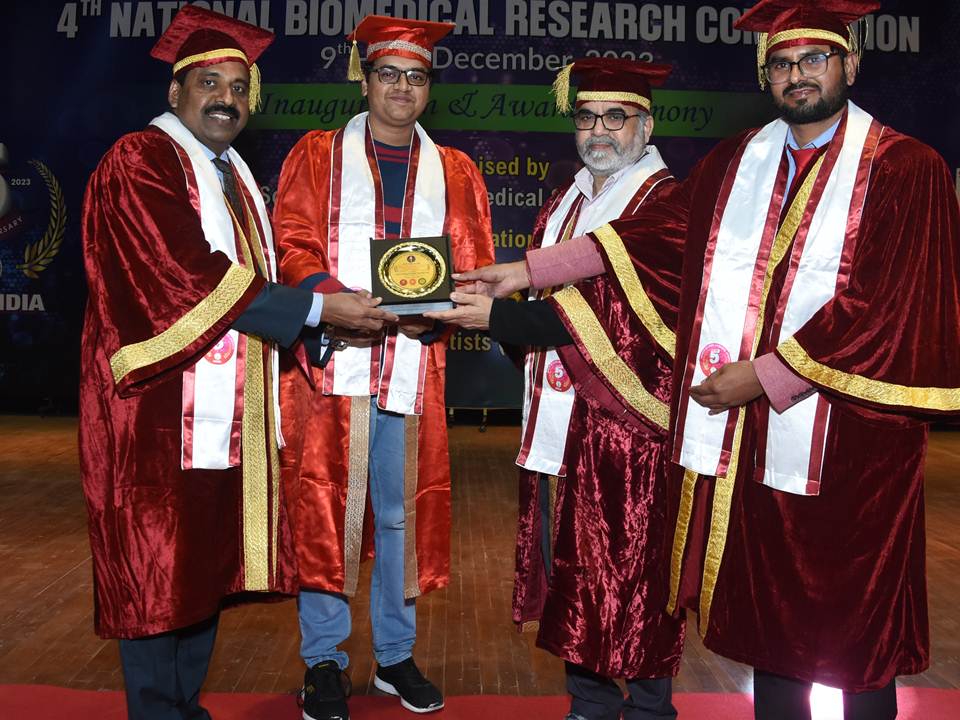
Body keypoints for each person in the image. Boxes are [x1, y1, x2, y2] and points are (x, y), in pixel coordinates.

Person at [457, 1, 960, 718]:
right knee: (769, 620)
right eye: (782, 63)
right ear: (765, 74)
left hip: (853, 442)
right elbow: (649, 238)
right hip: (748, 438)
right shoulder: (737, 163)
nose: (798, 75)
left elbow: (892, 306)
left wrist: (763, 375)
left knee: (852, 624)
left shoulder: (907, 168)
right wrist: (525, 271)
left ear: (850, 64)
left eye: (814, 59)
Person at [78, 7, 395, 719]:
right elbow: (186, 275)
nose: (227, 99)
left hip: (224, 412)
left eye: (239, 87)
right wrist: (317, 313)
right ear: (175, 92)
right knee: (157, 565)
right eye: (210, 84)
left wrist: (323, 322)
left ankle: (186, 707)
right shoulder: (141, 159)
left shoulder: (232, 176)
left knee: (201, 567)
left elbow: (259, 281)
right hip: (157, 413)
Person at [430, 58, 684, 720]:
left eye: (616, 116)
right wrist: (503, 301)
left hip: (627, 425)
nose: (599, 130)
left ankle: (651, 710)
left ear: (646, 125)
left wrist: (502, 316)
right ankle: (590, 703)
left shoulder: (665, 205)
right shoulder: (565, 200)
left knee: (633, 573)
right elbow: (547, 296)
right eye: (586, 116)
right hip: (559, 420)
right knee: (572, 569)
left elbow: (614, 311)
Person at [272, 15, 495, 720]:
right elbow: (292, 242)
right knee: (325, 505)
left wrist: (443, 309)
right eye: (389, 73)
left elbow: (473, 260)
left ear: (430, 86)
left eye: (416, 75)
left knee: (399, 515)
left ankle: (395, 657)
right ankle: (324, 662)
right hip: (331, 364)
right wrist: (333, 300)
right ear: (364, 79)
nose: (402, 87)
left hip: (411, 364)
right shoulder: (316, 155)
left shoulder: (454, 170)